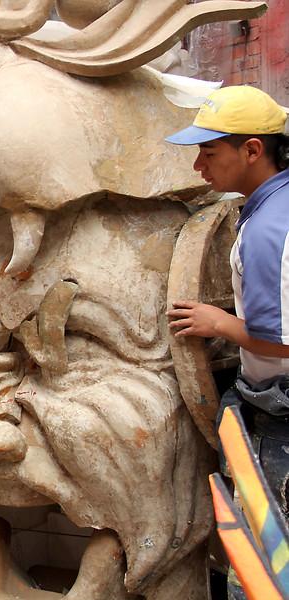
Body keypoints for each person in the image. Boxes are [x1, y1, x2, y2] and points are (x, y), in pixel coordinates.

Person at [165, 86, 289, 598]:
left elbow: (281, 342)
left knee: (264, 563)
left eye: (209, 152)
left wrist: (218, 322)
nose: (199, 166)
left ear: (253, 149)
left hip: (280, 413)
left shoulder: (268, 230)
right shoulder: (272, 207)